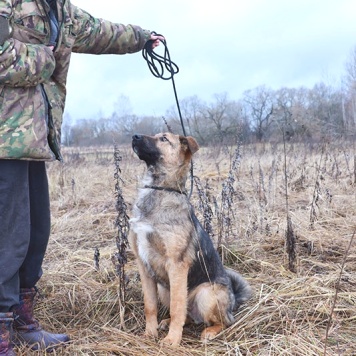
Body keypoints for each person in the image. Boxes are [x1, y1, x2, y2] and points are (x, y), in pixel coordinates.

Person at [0, 1, 163, 354]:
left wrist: (143, 38)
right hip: (1, 141)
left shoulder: (63, 11)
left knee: (35, 233)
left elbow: (103, 32)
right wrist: (47, 59)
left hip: (33, 141)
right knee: (8, 237)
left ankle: (21, 320)